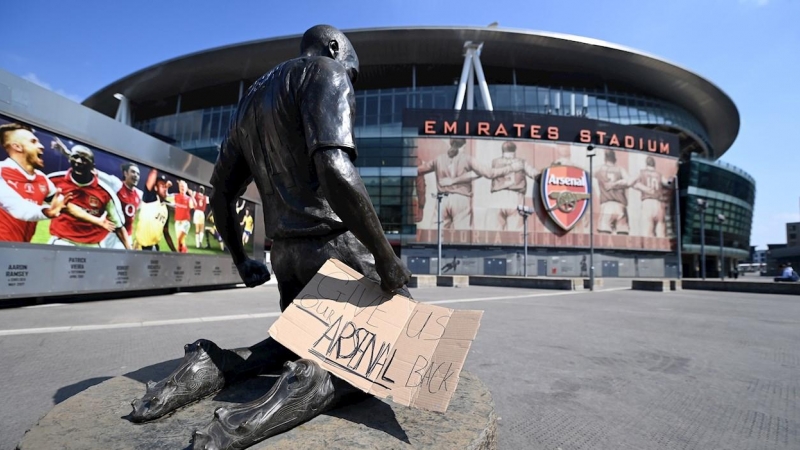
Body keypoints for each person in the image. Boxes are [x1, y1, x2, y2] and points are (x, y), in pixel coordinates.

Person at [130, 25, 412, 448]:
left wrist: (242, 259)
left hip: (286, 256)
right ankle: (297, 390)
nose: (348, 79)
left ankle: (212, 365)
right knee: (397, 346)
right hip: (333, 247)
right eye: (351, 71)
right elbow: (334, 168)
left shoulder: (250, 101)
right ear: (334, 48)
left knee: (289, 342)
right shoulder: (325, 70)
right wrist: (383, 254)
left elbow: (220, 191)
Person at [52, 138, 143, 249]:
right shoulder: (116, 184)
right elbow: (93, 170)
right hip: (107, 233)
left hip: (119, 231)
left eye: (138, 174)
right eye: (133, 172)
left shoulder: (139, 194)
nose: (136, 175)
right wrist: (67, 153)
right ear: (125, 173)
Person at [416, 137, 518, 229]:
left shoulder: (438, 159)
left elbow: (418, 170)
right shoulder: (468, 159)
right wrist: (510, 168)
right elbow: (489, 173)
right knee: (461, 236)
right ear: (464, 145)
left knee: (435, 235)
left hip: (441, 199)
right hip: (461, 200)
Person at [0, 123, 70, 242]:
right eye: (33, 142)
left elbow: (63, 205)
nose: (42, 146)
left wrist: (97, 220)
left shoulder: (42, 179)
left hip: (22, 249)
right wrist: (46, 211)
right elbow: (18, 207)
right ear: (17, 147)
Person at [628, 156, 671, 238]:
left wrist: (639, 187)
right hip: (658, 203)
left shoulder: (642, 172)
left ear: (646, 164)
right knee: (660, 230)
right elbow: (668, 183)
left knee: (648, 232)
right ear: (654, 164)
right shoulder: (659, 175)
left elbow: (630, 182)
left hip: (647, 202)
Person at [133, 172, 177, 252]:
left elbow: (166, 232)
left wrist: (174, 251)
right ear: (155, 188)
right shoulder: (150, 199)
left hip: (155, 248)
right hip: (140, 249)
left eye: (166, 187)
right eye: (162, 186)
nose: (165, 188)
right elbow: (152, 176)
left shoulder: (165, 209)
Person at [595, 149, 631, 235]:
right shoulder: (620, 170)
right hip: (620, 206)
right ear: (615, 159)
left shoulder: (599, 169)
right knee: (622, 237)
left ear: (605, 158)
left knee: (604, 237)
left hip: (607, 206)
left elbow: (585, 171)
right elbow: (629, 181)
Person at [169, 180, 195, 253]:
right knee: (180, 242)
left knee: (180, 239)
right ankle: (184, 253)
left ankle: (179, 255)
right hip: (177, 223)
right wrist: (167, 187)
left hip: (185, 223)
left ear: (186, 188)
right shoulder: (175, 196)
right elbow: (166, 197)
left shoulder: (188, 199)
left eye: (183, 186)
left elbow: (195, 205)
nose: (182, 188)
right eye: (180, 186)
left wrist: (192, 196)